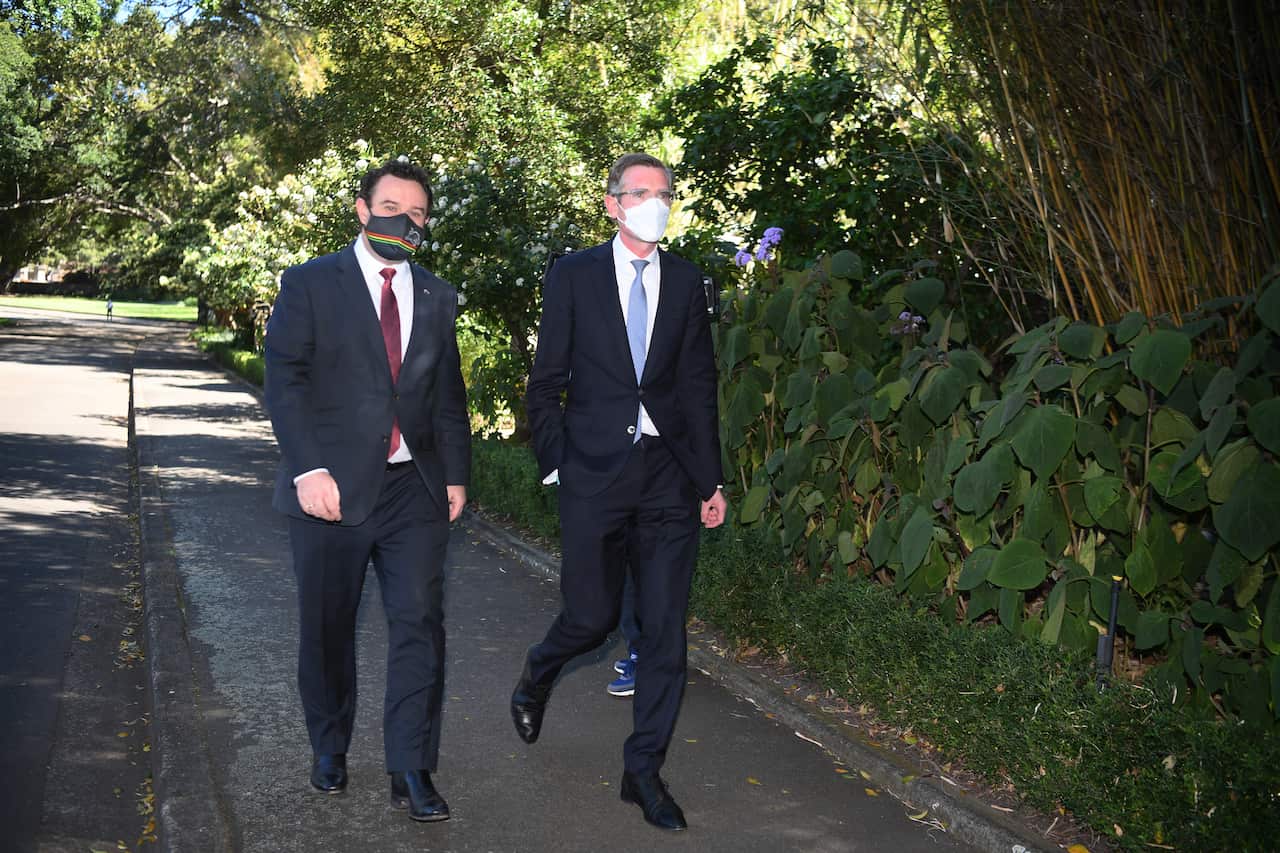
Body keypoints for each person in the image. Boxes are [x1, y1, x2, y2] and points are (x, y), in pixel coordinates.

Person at [510, 152, 728, 832]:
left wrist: (710, 477)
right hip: (593, 472)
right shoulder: (573, 274)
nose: (654, 203)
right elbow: (547, 382)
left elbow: (697, 384)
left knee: (664, 630)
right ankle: (539, 671)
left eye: (664, 193)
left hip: (668, 474)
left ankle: (642, 771)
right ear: (612, 203)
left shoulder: (689, 279)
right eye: (641, 193)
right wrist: (557, 465)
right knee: (593, 616)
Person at [263, 158, 470, 823]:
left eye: (415, 212)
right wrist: (307, 469)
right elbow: (285, 380)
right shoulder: (311, 283)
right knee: (328, 627)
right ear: (361, 208)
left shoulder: (437, 295)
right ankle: (330, 743)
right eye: (389, 207)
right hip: (330, 489)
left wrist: (457, 473)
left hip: (413, 488)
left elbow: (447, 394)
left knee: (420, 622)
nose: (401, 220)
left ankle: (411, 767)